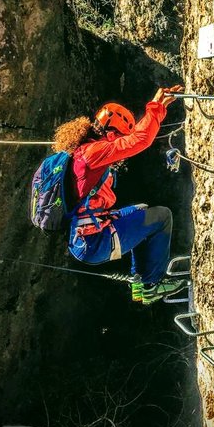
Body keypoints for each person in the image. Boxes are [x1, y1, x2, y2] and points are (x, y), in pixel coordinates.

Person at [53, 85, 187, 304]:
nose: (119, 144)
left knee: (140, 210)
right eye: (119, 137)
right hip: (95, 241)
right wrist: (156, 108)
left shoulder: (79, 153)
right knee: (162, 217)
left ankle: (138, 281)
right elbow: (139, 141)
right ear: (112, 133)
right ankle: (152, 285)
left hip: (83, 238)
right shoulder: (94, 152)